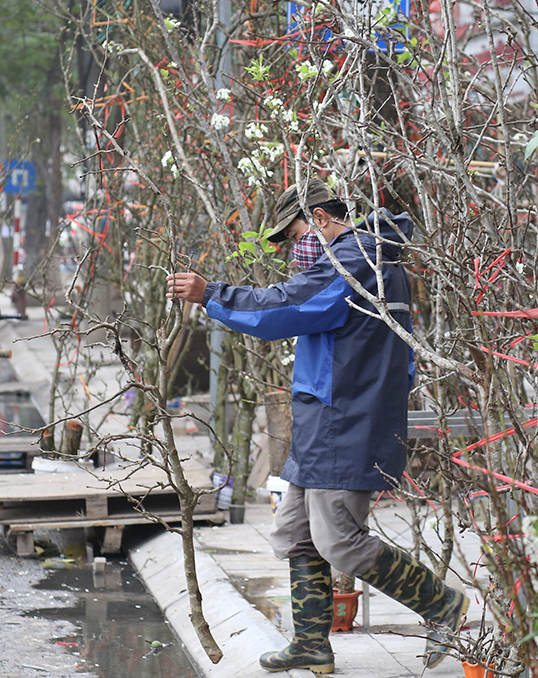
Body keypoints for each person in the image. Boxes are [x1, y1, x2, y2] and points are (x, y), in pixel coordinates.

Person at [166, 179, 468, 674]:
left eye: (294, 234)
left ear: (322, 219)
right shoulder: (368, 258)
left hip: (346, 419)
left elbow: (283, 309)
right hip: (327, 416)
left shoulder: (354, 260)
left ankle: (441, 606)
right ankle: (311, 643)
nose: (291, 248)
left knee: (339, 540)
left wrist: (211, 294)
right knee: (296, 533)